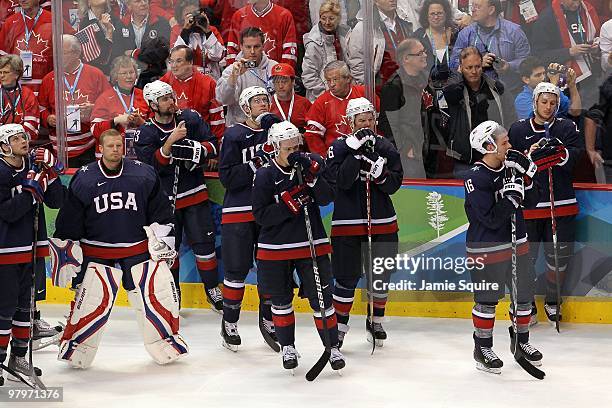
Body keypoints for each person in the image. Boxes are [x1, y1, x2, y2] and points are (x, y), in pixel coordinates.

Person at [53, 128, 187, 368]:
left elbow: (161, 211)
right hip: (97, 253)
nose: (116, 150)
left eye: (119, 146)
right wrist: (66, 248)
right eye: (111, 146)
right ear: (100, 149)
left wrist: (164, 240)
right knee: (91, 302)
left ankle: (166, 343)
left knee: (157, 298)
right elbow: (70, 218)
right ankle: (78, 349)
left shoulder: (143, 174)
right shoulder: (84, 178)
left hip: (137, 251)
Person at [252, 120, 345, 372]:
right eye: (288, 148)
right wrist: (288, 205)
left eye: (297, 147)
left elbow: (327, 198)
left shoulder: (310, 165)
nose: (294, 152)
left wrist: (313, 179)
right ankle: (287, 347)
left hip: (311, 244)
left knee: (322, 300)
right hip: (275, 250)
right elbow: (260, 216)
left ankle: (332, 347)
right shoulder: (264, 175)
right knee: (280, 301)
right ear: (274, 147)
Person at [134, 80, 222, 312]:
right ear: (153, 104)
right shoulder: (146, 133)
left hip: (194, 196)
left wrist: (197, 150)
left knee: (205, 246)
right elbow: (150, 167)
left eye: (171, 97)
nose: (171, 102)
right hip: (164, 203)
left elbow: (213, 146)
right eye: (164, 99)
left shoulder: (190, 119)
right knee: (168, 251)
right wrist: (171, 142)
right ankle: (174, 294)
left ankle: (212, 289)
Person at [463, 120, 543, 374]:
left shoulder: (511, 168)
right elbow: (489, 218)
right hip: (486, 249)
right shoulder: (475, 177)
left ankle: (522, 341)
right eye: (504, 142)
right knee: (487, 302)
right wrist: (510, 199)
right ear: (488, 146)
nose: (510, 146)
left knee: (524, 298)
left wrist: (528, 176)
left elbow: (532, 202)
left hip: (517, 245)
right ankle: (482, 348)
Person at [326, 97, 402, 348]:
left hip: (383, 224)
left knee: (380, 277)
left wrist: (381, 175)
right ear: (350, 122)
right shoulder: (338, 147)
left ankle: (376, 321)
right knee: (346, 278)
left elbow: (393, 185)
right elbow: (340, 182)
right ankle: (338, 328)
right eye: (361, 120)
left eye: (370, 119)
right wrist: (354, 153)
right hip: (347, 225)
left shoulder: (385, 146)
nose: (367, 124)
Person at [508, 82, 582, 325]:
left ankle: (552, 300)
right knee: (526, 259)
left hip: (562, 204)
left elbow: (577, 157)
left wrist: (560, 154)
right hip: (530, 207)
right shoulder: (518, 130)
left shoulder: (566, 126)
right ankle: (525, 304)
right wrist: (529, 156)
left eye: (553, 103)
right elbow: (510, 163)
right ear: (535, 102)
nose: (548, 107)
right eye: (544, 102)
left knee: (559, 258)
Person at [0, 123, 65, 382]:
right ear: (4, 146)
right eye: (16, 139)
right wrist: (30, 192)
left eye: (24, 137)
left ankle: (18, 358)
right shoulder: (1, 172)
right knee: (4, 309)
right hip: (5, 252)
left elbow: (56, 202)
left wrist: (52, 172)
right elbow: (8, 212)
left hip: (31, 250)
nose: (23, 142)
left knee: (26, 309)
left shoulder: (33, 167)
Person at [218, 86, 280, 351]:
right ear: (245, 107)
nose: (263, 104)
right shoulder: (233, 135)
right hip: (239, 212)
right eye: (257, 101)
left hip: (268, 211)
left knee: (270, 269)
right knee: (236, 270)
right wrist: (255, 163)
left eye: (265, 100)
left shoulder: (276, 131)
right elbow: (227, 178)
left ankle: (268, 320)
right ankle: (229, 322)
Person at [38, 35, 111, 167]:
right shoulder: (49, 78)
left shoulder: (95, 75)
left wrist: (94, 108)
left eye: (63, 53)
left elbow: (110, 106)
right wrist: (48, 118)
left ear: (77, 53)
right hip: (59, 149)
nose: (58, 56)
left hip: (89, 145)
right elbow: (41, 108)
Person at [443, 46, 515, 175]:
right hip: (465, 158)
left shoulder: (496, 87)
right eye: (468, 67)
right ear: (461, 67)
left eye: (477, 66)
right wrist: (458, 75)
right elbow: (449, 93)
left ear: (482, 65)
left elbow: (510, 116)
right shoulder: (455, 88)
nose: (474, 71)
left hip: (494, 155)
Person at [450, 0, 531, 94]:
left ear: (491, 10)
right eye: (473, 6)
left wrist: (508, 66)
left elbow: (527, 62)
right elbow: (453, 63)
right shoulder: (465, 33)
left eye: (477, 7)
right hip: (475, 94)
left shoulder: (514, 32)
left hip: (509, 92)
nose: (472, 10)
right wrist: (477, 63)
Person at [531, 0, 602, 107]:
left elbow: (597, 37)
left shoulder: (587, 11)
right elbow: (539, 56)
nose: (577, 3)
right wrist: (569, 52)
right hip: (563, 81)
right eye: (572, 0)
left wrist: (595, 49)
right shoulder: (546, 18)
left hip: (591, 77)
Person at [304, 60, 379, 157]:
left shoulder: (365, 93)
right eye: (328, 80)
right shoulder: (321, 102)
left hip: (368, 151)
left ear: (348, 78)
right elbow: (312, 135)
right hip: (339, 157)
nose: (331, 84)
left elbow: (380, 122)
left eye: (335, 79)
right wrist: (325, 159)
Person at [378, 38, 430, 178]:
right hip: (409, 156)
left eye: (424, 52)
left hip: (428, 150)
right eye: (420, 53)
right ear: (406, 58)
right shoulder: (393, 87)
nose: (425, 55)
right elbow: (387, 123)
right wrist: (404, 148)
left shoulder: (426, 79)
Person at [0, 0, 74, 95]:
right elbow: (3, 59)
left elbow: (73, 48)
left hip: (49, 86)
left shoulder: (54, 20)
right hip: (18, 88)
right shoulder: (10, 23)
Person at [160, 45, 225, 142]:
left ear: (190, 62)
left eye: (178, 61)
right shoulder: (163, 82)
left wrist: (216, 146)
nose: (173, 65)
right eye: (171, 61)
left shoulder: (208, 83)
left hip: (200, 140)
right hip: (170, 139)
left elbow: (217, 119)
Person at [216, 27, 278, 126]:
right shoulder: (232, 70)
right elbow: (223, 99)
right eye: (248, 47)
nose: (252, 51)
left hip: (269, 125)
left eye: (256, 46)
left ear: (263, 46)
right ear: (241, 47)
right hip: (240, 127)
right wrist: (234, 77)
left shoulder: (274, 67)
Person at [90, 56, 150, 158]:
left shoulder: (145, 96)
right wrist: (115, 121)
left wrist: (142, 123)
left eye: (131, 72)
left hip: (140, 155)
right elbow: (94, 130)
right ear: (115, 77)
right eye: (124, 73)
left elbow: (155, 129)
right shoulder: (105, 98)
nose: (129, 76)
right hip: (112, 158)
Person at [346, 0, 413, 86]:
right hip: (382, 86)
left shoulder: (406, 21)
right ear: (375, 1)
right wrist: (367, 89)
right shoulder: (363, 27)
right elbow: (357, 64)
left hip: (409, 82)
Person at [302, 0, 351, 103]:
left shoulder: (346, 34)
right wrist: (325, 95)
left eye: (331, 18)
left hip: (344, 93)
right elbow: (308, 75)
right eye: (323, 18)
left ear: (338, 18)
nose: (327, 22)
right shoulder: (314, 43)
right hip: (322, 98)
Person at [225, 0, 298, 67]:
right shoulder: (239, 15)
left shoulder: (284, 15)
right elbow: (232, 51)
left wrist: (280, 74)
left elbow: (289, 53)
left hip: (274, 75)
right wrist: (237, 74)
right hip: (245, 75)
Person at [170, 0, 225, 80]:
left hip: (211, 79)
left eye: (195, 13)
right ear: (181, 16)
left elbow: (217, 56)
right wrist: (185, 31)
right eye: (188, 15)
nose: (193, 17)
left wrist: (207, 32)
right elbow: (177, 58)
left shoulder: (211, 30)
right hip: (187, 78)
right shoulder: (177, 30)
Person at [514, 57, 581, 120]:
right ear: (526, 79)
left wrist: (572, 86)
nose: (543, 78)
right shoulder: (522, 99)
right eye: (538, 75)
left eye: (544, 73)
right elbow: (542, 121)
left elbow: (575, 112)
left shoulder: (554, 89)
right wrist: (553, 84)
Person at [413, 0, 459, 83]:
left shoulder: (456, 34)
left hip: (454, 86)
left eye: (439, 13)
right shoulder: (418, 37)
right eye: (432, 14)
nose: (436, 17)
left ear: (446, 14)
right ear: (426, 15)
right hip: (427, 88)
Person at [74, 0, 124, 74]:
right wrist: (109, 31)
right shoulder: (84, 24)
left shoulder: (115, 19)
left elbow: (121, 45)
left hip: (118, 69)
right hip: (98, 72)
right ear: (88, 2)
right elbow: (97, 58)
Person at [0, 54, 39, 141]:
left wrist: (12, 141)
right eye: (0, 72)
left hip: (20, 146)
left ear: (17, 74)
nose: (1, 76)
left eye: (6, 72)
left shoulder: (27, 94)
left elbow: (32, 127)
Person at [269, 63, 312, 132]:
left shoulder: (304, 103)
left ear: (293, 82)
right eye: (277, 82)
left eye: (284, 81)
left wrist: (304, 137)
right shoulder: (267, 104)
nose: (280, 86)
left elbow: (313, 129)